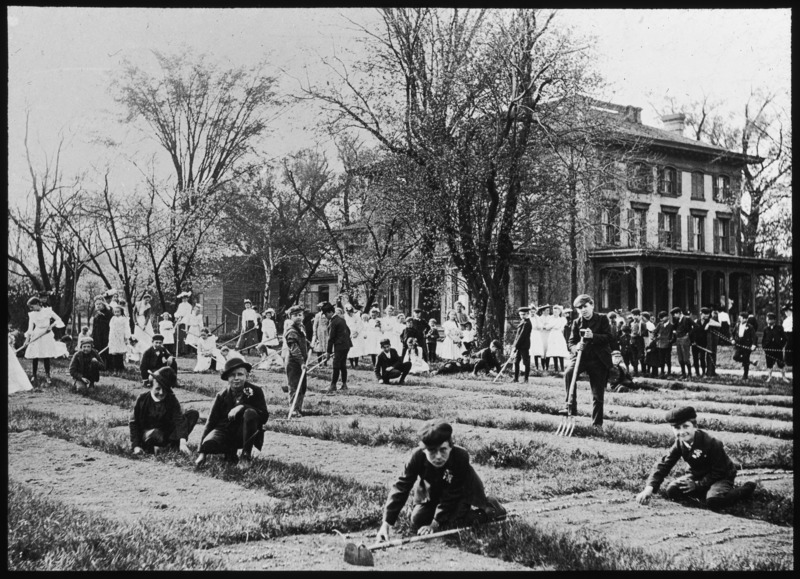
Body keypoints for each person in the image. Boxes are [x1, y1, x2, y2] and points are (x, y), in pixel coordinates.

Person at [376, 420, 506, 541]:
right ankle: (439, 516)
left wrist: (434, 524)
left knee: (452, 523)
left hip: (461, 492)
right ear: (423, 450)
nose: (438, 457)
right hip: (430, 490)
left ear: (450, 446)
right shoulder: (416, 457)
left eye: (443, 450)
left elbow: (452, 494)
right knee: (417, 520)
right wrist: (386, 524)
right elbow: (401, 487)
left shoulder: (461, 457)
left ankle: (491, 506)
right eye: (432, 451)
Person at [635, 406, 756, 511]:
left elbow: (719, 471)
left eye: (686, 426)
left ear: (695, 426)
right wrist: (648, 489)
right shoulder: (679, 443)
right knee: (672, 490)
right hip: (697, 474)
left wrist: (697, 485)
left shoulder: (712, 443)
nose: (682, 432)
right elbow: (663, 465)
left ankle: (746, 488)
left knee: (714, 501)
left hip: (721, 476)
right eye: (677, 428)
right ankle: (705, 490)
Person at [195, 358, 269, 467]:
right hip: (226, 432)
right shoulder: (221, 396)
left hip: (245, 433)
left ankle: (245, 456)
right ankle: (229, 452)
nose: (236, 378)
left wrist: (242, 407)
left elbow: (264, 417)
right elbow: (211, 422)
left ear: (247, 376)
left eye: (240, 374)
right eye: (232, 375)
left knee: (250, 412)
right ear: (227, 378)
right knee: (209, 444)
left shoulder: (255, 391)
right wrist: (202, 453)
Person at [563, 294, 612, 428]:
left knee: (597, 394)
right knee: (568, 373)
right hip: (581, 358)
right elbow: (571, 343)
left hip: (598, 359)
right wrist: (576, 347)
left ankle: (597, 425)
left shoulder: (602, 319)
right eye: (579, 308)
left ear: (592, 305)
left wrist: (593, 336)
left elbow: (609, 337)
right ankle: (570, 408)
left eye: (585, 306)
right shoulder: (576, 322)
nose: (583, 310)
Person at [129, 367, 199, 456]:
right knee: (154, 433)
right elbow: (133, 423)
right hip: (149, 435)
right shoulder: (142, 399)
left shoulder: (171, 399)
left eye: (165, 389)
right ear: (150, 386)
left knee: (192, 415)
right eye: (158, 389)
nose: (161, 392)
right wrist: (136, 446)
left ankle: (170, 446)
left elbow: (179, 420)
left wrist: (183, 442)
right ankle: (159, 448)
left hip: (167, 434)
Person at [23, 296, 66, 387]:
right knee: (35, 355)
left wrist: (51, 326)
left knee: (46, 355)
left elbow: (58, 319)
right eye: (30, 307)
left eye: (32, 306)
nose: (31, 309)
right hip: (37, 334)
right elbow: (30, 328)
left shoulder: (48, 311)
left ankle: (48, 375)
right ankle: (34, 375)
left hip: (46, 334)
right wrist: (26, 340)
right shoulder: (32, 314)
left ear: (38, 304)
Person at [283, 305, 310, 416]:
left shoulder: (301, 327)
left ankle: (298, 408)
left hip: (301, 361)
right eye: (295, 315)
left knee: (302, 386)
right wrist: (302, 363)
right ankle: (293, 409)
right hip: (294, 362)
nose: (298, 317)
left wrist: (309, 344)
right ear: (290, 317)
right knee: (295, 386)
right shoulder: (291, 331)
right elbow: (295, 349)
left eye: (300, 315)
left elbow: (302, 339)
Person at [324, 302, 352, 393]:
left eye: (325, 314)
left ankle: (333, 385)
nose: (325, 316)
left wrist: (328, 352)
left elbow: (331, 338)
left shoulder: (333, 322)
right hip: (346, 345)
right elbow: (349, 331)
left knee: (336, 365)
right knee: (342, 365)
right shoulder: (341, 319)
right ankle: (344, 384)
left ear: (330, 312)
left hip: (340, 346)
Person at [761, 312, 788, 383]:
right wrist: (765, 347)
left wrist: (781, 346)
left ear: (773, 320)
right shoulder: (766, 329)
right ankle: (769, 377)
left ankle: (784, 377)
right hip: (769, 350)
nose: (768, 321)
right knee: (769, 364)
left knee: (781, 364)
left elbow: (785, 338)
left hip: (778, 349)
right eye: (767, 319)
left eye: (769, 319)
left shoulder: (779, 328)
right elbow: (763, 339)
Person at [733, 312, 758, 380]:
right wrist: (732, 340)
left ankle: (745, 375)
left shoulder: (750, 327)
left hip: (747, 345)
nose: (739, 319)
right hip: (739, 345)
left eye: (740, 318)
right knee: (735, 357)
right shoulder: (737, 325)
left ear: (745, 319)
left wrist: (753, 345)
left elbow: (754, 337)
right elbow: (733, 333)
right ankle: (751, 362)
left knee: (745, 361)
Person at [108, 304, 131, 376]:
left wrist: (126, 336)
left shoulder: (124, 319)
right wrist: (111, 337)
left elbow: (127, 328)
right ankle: (115, 368)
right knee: (114, 352)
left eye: (118, 312)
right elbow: (111, 328)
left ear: (121, 312)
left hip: (121, 337)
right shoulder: (113, 319)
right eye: (115, 312)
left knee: (120, 353)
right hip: (114, 337)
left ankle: (121, 367)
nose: (116, 313)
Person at [672, 307, 695, 379]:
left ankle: (689, 374)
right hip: (678, 339)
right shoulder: (677, 320)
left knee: (686, 358)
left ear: (679, 313)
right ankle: (683, 373)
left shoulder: (687, 319)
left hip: (685, 339)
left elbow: (696, 326)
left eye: (675, 314)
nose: (674, 316)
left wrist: (689, 334)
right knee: (680, 359)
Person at [91, 294, 113, 368]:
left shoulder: (109, 312)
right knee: (98, 348)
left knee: (106, 349)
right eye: (96, 304)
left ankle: (108, 366)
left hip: (106, 333)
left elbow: (111, 323)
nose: (98, 305)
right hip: (97, 335)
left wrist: (102, 317)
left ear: (103, 304)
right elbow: (94, 326)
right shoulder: (96, 313)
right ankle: (99, 365)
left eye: (100, 304)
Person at [546, 305, 569, 373]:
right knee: (554, 352)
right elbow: (547, 327)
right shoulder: (551, 318)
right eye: (554, 312)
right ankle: (556, 369)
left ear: (559, 312)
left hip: (558, 335)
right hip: (552, 334)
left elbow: (561, 328)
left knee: (560, 351)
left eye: (556, 312)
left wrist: (554, 326)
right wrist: (553, 326)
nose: (555, 313)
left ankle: (562, 368)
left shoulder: (562, 319)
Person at [512, 306, 532, 384]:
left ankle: (526, 379)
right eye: (520, 314)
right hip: (518, 345)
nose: (522, 316)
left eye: (523, 314)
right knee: (516, 362)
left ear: (527, 314)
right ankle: (515, 378)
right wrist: (514, 345)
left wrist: (516, 346)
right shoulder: (522, 322)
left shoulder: (527, 323)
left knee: (526, 362)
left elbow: (522, 336)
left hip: (524, 346)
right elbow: (517, 336)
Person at [653, 311, 675, 378]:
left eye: (663, 317)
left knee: (668, 359)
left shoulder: (671, 325)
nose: (661, 319)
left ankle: (669, 373)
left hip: (667, 345)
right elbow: (655, 332)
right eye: (660, 318)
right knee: (661, 359)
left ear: (667, 317)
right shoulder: (660, 324)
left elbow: (674, 336)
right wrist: (656, 338)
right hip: (660, 344)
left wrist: (670, 341)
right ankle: (662, 373)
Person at [343, 303, 364, 368]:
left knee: (356, 348)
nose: (349, 313)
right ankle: (351, 364)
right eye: (348, 312)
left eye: (350, 311)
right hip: (348, 334)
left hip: (356, 334)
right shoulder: (344, 317)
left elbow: (360, 325)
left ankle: (356, 363)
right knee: (350, 349)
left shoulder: (356, 316)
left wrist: (357, 332)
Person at [173, 291, 193, 356]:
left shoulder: (189, 306)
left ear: (187, 298)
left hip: (185, 321)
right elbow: (178, 312)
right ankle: (177, 350)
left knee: (183, 336)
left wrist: (181, 318)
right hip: (179, 321)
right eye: (183, 298)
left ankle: (184, 351)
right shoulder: (180, 305)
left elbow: (187, 315)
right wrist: (177, 317)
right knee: (177, 336)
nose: (184, 299)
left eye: (185, 298)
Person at [311, 301, 331, 366]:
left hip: (326, 331)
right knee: (320, 347)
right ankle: (319, 362)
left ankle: (325, 362)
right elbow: (315, 325)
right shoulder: (317, 315)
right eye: (321, 307)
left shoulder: (328, 314)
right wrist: (315, 333)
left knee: (326, 346)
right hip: (319, 331)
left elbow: (330, 323)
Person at [528, 304, 545, 371]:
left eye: (534, 311)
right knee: (530, 350)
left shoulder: (537, 318)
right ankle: (528, 366)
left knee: (537, 350)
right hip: (530, 333)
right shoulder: (528, 317)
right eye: (531, 311)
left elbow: (540, 326)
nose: (532, 313)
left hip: (536, 334)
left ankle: (537, 366)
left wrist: (539, 326)